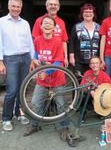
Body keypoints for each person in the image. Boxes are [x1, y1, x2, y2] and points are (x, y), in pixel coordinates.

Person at [24, 16, 85, 147]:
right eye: (45, 23)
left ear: (54, 27)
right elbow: (35, 53)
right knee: (35, 102)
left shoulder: (57, 41)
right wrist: (34, 60)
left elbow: (58, 62)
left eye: (50, 24)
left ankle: (64, 128)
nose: (47, 25)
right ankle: (35, 125)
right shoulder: (38, 40)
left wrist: (46, 72)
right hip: (42, 80)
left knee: (62, 105)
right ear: (41, 26)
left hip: (57, 79)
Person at [0, 0, 34, 131]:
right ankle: (6, 119)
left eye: (18, 7)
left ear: (21, 8)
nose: (15, 9)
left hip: (25, 58)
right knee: (12, 90)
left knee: (22, 89)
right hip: (10, 59)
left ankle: (19, 114)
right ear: (8, 7)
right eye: (13, 6)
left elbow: (29, 42)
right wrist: (0, 61)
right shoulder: (1, 22)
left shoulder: (25, 23)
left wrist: (32, 59)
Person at [32, 0, 68, 67]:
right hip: (43, 59)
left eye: (55, 5)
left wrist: (66, 57)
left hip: (58, 58)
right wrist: (33, 60)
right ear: (46, 6)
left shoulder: (62, 22)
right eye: (51, 4)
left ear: (58, 7)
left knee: (57, 76)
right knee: (43, 77)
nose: (53, 6)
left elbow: (64, 41)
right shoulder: (39, 20)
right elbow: (35, 42)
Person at [69, 3, 100, 75]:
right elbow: (71, 42)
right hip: (79, 60)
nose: (88, 14)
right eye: (85, 12)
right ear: (82, 14)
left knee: (92, 80)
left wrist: (101, 58)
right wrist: (71, 57)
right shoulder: (77, 27)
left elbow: (101, 43)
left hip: (94, 61)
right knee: (79, 80)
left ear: (93, 14)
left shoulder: (98, 27)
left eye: (90, 12)